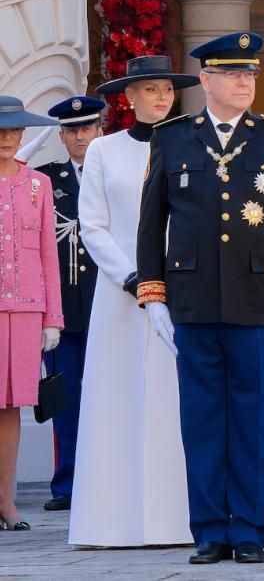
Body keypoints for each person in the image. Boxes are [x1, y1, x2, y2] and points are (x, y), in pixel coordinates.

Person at [136, 33, 264, 564]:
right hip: (191, 301)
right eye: (235, 74)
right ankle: (210, 530)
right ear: (208, 80)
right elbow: (152, 225)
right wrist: (154, 295)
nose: (246, 82)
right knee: (200, 421)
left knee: (251, 419)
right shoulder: (172, 140)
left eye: (252, 74)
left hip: (256, 298)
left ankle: (248, 531)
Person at [68, 57, 199, 547]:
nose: (161, 97)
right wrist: (131, 277)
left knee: (176, 402)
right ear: (129, 98)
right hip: (120, 295)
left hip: (182, 290)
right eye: (150, 89)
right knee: (115, 401)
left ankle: (180, 520)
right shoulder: (104, 150)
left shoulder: (191, 144)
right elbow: (93, 225)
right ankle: (109, 522)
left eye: (166, 88)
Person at [34, 97, 103, 513]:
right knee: (65, 397)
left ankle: (106, 478)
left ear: (99, 131)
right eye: (72, 130)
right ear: (61, 136)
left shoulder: (112, 176)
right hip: (62, 308)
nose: (80, 136)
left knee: (109, 395)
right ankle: (68, 483)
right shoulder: (45, 179)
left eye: (87, 128)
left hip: (106, 303)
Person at [0, 97, 63, 532]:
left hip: (26, 310)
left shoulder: (39, 185)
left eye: (15, 130)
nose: (8, 137)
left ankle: (6, 501)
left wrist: (52, 318)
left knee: (11, 409)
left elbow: (48, 255)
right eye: (1, 130)